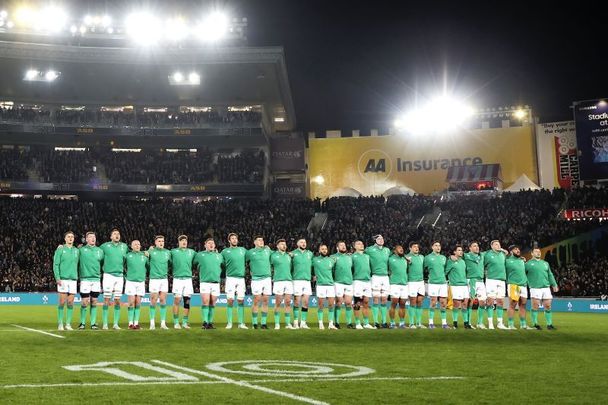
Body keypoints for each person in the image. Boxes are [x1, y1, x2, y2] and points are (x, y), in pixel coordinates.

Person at [100, 229, 128, 330]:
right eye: (114, 234)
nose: (117, 235)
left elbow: (131, 255)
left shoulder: (124, 246)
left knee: (117, 300)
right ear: (110, 237)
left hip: (120, 276)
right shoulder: (104, 246)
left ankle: (115, 324)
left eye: (118, 234)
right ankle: (105, 324)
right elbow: (95, 253)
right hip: (108, 275)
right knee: (106, 299)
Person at [526, 247, 559, 330]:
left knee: (548, 306)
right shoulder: (528, 264)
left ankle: (549, 324)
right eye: (536, 251)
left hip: (546, 287)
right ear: (532, 254)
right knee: (535, 306)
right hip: (535, 287)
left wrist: (554, 284)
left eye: (539, 251)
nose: (538, 253)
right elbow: (523, 274)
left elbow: (550, 274)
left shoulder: (545, 263)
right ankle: (535, 323)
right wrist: (527, 283)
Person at [195, 238, 224, 329]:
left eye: (212, 243)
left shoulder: (219, 256)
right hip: (205, 282)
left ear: (215, 245)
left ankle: (210, 322)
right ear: (205, 245)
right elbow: (194, 264)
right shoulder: (200, 255)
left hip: (215, 282)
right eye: (209, 243)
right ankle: (205, 322)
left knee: (212, 303)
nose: (211, 244)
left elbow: (223, 267)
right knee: (205, 301)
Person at [53, 231, 79, 331]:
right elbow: (55, 264)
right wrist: (57, 278)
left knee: (71, 302)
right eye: (68, 237)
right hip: (63, 279)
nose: (70, 238)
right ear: (65, 239)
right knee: (62, 302)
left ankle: (68, 324)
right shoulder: (60, 250)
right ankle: (60, 323)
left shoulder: (77, 250)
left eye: (72, 237)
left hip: (73, 279)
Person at [221, 233, 248, 329]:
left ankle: (241, 323)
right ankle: (229, 323)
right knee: (230, 300)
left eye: (235, 238)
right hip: (230, 278)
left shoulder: (243, 250)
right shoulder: (224, 252)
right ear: (229, 241)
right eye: (232, 238)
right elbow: (220, 263)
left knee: (240, 300)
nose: (234, 240)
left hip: (241, 278)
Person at [77, 232, 103, 330]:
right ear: (86, 239)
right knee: (84, 302)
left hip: (96, 279)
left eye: (94, 237)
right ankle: (82, 323)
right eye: (90, 237)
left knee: (94, 302)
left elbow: (103, 263)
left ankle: (93, 323)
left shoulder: (100, 251)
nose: (93, 238)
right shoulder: (81, 250)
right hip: (85, 279)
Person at [246, 235, 272, 329]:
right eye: (259, 240)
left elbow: (278, 255)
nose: (262, 241)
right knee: (256, 300)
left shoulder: (268, 250)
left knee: (265, 301)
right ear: (254, 242)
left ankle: (264, 323)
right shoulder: (250, 252)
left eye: (262, 240)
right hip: (256, 279)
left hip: (267, 279)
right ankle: (254, 323)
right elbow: (242, 260)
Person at [365, 235, 391, 328]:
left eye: (382, 238)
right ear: (375, 240)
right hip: (375, 276)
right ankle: (376, 322)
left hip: (385, 277)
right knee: (376, 299)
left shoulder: (387, 250)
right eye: (379, 239)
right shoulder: (369, 249)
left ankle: (384, 322)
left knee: (384, 299)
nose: (381, 240)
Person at [171, 235, 195, 329]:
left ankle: (185, 322)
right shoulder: (173, 252)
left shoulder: (192, 252)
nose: (184, 242)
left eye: (185, 240)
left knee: (187, 302)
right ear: (179, 242)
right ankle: (176, 322)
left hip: (188, 280)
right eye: (182, 241)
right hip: (178, 279)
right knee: (177, 300)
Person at [483, 240, 509, 330]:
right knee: (490, 301)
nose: (498, 246)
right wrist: (485, 273)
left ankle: (500, 323)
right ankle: (490, 323)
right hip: (491, 279)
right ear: (491, 246)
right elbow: (482, 265)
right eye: (496, 244)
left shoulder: (502, 255)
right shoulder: (487, 254)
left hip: (502, 280)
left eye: (499, 244)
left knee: (500, 301)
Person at [505, 245, 533, 330]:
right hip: (514, 285)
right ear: (511, 251)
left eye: (518, 249)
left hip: (523, 285)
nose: (518, 250)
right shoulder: (507, 261)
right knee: (513, 304)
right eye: (515, 249)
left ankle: (523, 325)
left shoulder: (522, 261)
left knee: (523, 305)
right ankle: (510, 324)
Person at [147, 235, 171, 330]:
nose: (161, 243)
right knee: (153, 300)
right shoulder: (151, 252)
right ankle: (152, 323)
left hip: (164, 279)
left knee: (163, 300)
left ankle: (163, 323)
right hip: (154, 279)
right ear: (155, 242)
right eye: (159, 241)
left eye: (162, 241)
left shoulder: (167, 252)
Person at [270, 239, 294, 329]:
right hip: (278, 281)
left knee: (288, 302)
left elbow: (291, 268)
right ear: (277, 246)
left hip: (288, 280)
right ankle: (277, 323)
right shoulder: (273, 255)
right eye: (282, 244)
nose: (284, 246)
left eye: (285, 244)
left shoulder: (289, 256)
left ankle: (288, 324)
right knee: (278, 302)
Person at [424, 241, 449, 329]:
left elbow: (446, 269)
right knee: (433, 302)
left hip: (443, 283)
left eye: (439, 245)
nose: (438, 247)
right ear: (432, 247)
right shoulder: (427, 258)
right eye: (436, 245)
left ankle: (444, 323)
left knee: (443, 303)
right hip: (433, 283)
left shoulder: (443, 258)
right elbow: (423, 268)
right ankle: (431, 323)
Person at [125, 240, 148, 330]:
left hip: (141, 282)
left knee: (138, 302)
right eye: (135, 244)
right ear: (131, 246)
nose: (137, 245)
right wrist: (125, 276)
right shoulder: (127, 256)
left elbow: (148, 267)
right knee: (131, 302)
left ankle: (136, 323)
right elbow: (122, 265)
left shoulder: (144, 256)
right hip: (130, 281)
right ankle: (130, 323)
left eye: (139, 244)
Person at [445, 245, 470, 329]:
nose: (461, 251)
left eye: (461, 250)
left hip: (464, 285)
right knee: (456, 304)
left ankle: (466, 323)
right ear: (454, 252)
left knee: (465, 304)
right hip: (455, 285)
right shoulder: (450, 261)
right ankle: (455, 323)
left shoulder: (463, 261)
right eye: (459, 250)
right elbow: (445, 272)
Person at [291, 238, 313, 329]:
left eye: (305, 242)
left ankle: (303, 322)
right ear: (297, 244)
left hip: (307, 281)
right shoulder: (293, 254)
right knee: (297, 301)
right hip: (297, 280)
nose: (303, 243)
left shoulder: (310, 253)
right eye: (301, 242)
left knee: (306, 302)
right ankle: (296, 322)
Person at [313, 244, 337, 330]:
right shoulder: (315, 260)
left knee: (331, 304)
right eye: (322, 249)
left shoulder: (331, 260)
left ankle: (331, 323)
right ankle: (320, 323)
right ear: (319, 250)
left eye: (325, 249)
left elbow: (335, 271)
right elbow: (309, 268)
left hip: (330, 285)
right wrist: (312, 276)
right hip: (320, 285)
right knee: (321, 305)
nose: (324, 250)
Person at [352, 240, 375, 329]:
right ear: (355, 246)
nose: (361, 245)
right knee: (357, 303)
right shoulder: (353, 256)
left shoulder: (367, 256)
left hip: (367, 281)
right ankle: (358, 323)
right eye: (359, 244)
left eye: (362, 243)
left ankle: (366, 323)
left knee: (366, 302)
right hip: (357, 281)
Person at [331, 241, 354, 329]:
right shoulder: (333, 257)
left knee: (348, 303)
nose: (343, 246)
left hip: (349, 282)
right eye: (341, 245)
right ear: (337, 248)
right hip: (338, 282)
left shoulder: (349, 257)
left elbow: (352, 269)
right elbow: (331, 270)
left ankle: (349, 323)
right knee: (339, 302)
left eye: (344, 245)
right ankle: (336, 322)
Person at [464, 241, 486, 329]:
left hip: (481, 281)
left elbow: (494, 251)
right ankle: (468, 323)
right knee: (470, 302)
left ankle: (479, 323)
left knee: (482, 302)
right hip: (471, 280)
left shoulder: (482, 255)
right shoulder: (465, 255)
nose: (477, 247)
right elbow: (456, 256)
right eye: (474, 246)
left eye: (477, 246)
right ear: (470, 248)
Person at [388, 245, 408, 329]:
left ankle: (402, 323)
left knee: (403, 304)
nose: (401, 249)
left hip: (404, 284)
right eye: (399, 248)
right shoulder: (390, 259)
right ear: (395, 251)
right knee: (394, 303)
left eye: (402, 248)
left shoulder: (405, 259)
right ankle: (392, 323)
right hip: (394, 284)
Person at [406, 242, 425, 328]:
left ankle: (419, 323)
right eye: (414, 247)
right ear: (410, 248)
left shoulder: (422, 257)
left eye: (417, 247)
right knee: (413, 302)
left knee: (420, 302)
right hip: (412, 282)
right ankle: (411, 323)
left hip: (421, 282)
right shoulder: (407, 257)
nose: (416, 248)